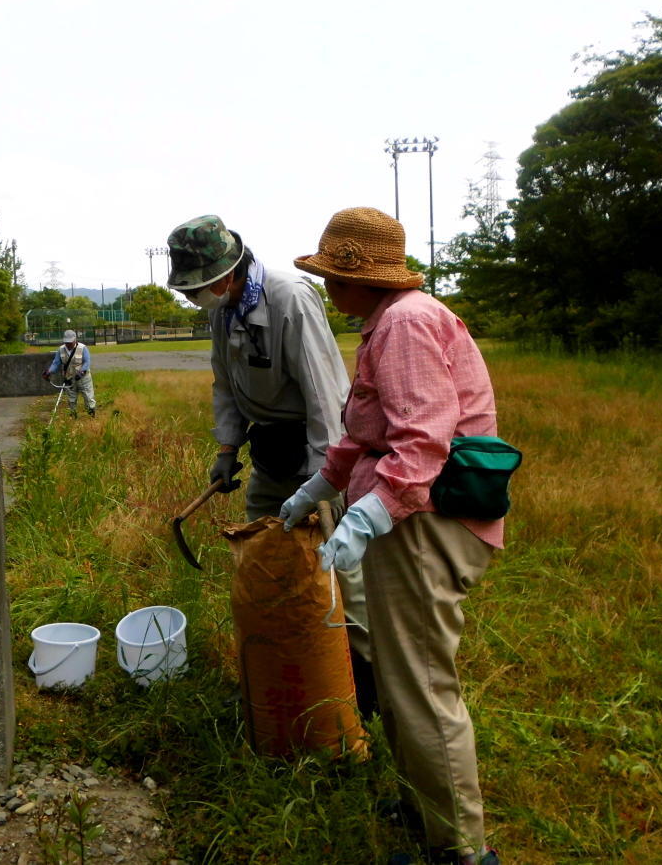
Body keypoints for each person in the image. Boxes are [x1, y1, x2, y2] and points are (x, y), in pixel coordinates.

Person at [280, 207, 503, 865]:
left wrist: (366, 517)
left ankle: (461, 851)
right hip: (406, 522)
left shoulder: (405, 324)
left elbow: (422, 445)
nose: (325, 288)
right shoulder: (386, 325)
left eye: (331, 276)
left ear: (361, 279)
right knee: (403, 678)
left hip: (424, 524)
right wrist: (319, 488)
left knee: (424, 685)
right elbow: (364, 434)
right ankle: (423, 808)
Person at [165, 215, 384, 717]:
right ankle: (288, 667)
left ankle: (368, 691)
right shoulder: (221, 313)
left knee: (339, 572)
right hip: (269, 456)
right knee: (266, 555)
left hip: (315, 455)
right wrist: (226, 451)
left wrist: (324, 478)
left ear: (227, 273)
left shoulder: (290, 298)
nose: (192, 298)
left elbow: (325, 393)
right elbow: (226, 386)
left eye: (196, 288)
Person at [43, 330, 95, 417]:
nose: (68, 344)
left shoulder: (83, 348)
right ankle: (73, 416)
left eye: (70, 341)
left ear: (75, 339)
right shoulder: (61, 350)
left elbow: (87, 362)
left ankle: (91, 415)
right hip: (69, 378)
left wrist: (82, 371)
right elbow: (56, 363)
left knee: (88, 397)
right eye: (67, 342)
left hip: (83, 378)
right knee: (71, 399)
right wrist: (49, 371)